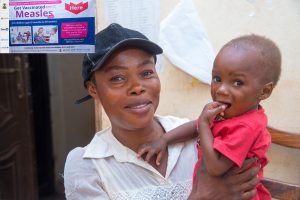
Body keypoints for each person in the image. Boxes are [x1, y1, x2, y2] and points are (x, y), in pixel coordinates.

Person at [64, 23, 260, 199]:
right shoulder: (89, 167)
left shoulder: (197, 137)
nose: (137, 87)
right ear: (93, 89)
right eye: (117, 78)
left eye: (146, 73)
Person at [137, 34, 281, 200]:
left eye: (237, 83)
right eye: (217, 79)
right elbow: (195, 125)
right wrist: (164, 140)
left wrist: (205, 124)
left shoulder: (246, 126)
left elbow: (215, 167)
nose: (221, 90)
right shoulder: (233, 113)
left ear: (264, 91)